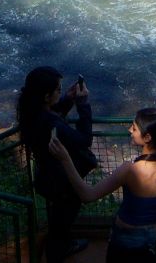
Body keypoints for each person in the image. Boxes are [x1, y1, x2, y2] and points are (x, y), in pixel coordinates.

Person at [48, 108, 156, 262]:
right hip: (155, 237)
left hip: (127, 240)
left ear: (147, 137)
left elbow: (87, 195)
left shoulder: (130, 170)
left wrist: (65, 159)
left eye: (134, 128)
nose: (130, 130)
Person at [17, 66, 96, 261]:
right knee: (63, 219)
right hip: (62, 182)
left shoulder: (32, 112)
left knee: (58, 219)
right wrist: (83, 104)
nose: (61, 91)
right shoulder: (50, 124)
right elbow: (84, 139)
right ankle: (59, 250)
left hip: (47, 176)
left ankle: (60, 246)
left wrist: (68, 99)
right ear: (46, 96)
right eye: (58, 90)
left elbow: (52, 114)